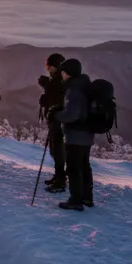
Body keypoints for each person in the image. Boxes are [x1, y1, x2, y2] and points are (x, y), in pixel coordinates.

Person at [55, 58, 95, 211]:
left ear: (69, 73)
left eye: (64, 72)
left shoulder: (74, 89)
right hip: (87, 134)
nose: (62, 75)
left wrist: (57, 115)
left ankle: (75, 200)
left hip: (75, 135)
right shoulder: (86, 85)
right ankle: (87, 197)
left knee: (73, 168)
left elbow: (72, 114)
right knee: (84, 166)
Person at [38, 53, 67, 192]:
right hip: (55, 119)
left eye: (49, 66)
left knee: (57, 150)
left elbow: (58, 100)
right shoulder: (57, 80)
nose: (48, 69)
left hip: (58, 120)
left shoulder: (60, 81)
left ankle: (61, 181)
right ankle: (58, 176)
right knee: (54, 149)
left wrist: (47, 86)